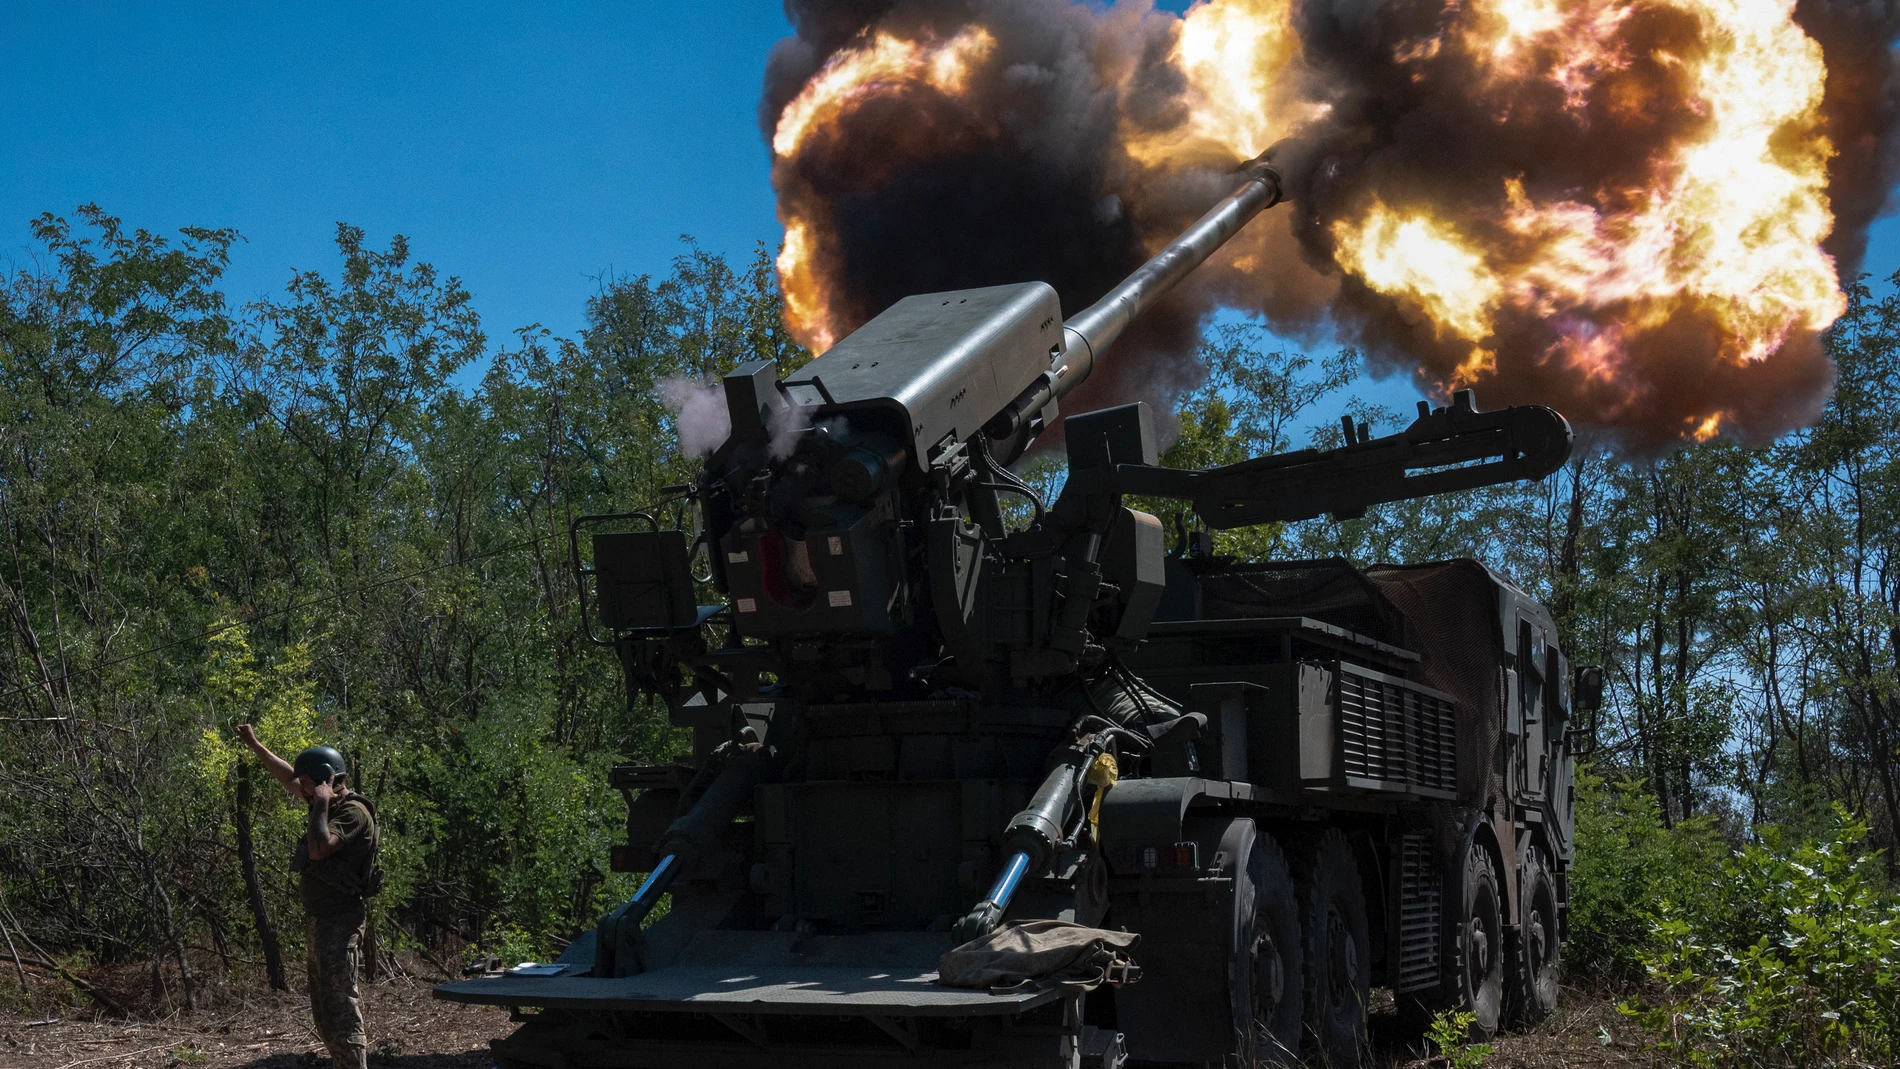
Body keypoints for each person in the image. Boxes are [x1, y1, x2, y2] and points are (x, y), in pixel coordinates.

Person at [237, 724, 380, 1069]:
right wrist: (256, 745)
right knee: (323, 1012)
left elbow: (318, 849)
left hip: (340, 921)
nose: (297, 789)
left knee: (341, 1010)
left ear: (322, 780)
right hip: (320, 921)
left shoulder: (352, 813)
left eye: (305, 783)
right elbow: (287, 775)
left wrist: (320, 803)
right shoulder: (322, 799)